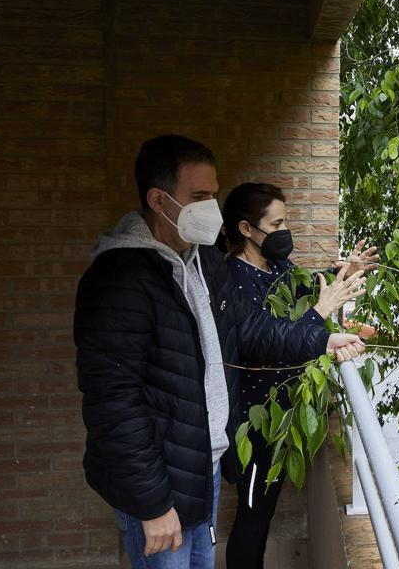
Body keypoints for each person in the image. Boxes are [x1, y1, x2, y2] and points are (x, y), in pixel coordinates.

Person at [73, 136, 366, 569]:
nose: (212, 208)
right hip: (160, 485)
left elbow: (249, 333)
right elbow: (113, 404)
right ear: (159, 199)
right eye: (199, 197)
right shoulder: (120, 281)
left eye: (214, 194)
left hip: (202, 466)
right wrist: (152, 505)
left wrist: (321, 340)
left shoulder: (203, 262)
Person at [220, 182, 377, 568]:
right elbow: (260, 339)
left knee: (265, 511)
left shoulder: (275, 267)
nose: (284, 231)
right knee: (253, 517)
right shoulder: (231, 278)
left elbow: (303, 291)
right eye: (277, 224)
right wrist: (320, 313)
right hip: (253, 422)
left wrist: (342, 271)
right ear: (246, 229)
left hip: (279, 417)